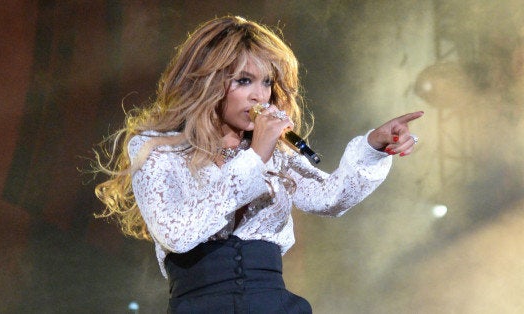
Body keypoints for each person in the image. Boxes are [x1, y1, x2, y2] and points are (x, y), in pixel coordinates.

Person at [94, 15, 423, 314]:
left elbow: (331, 197)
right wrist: (256, 158)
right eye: (243, 81)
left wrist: (374, 146)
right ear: (205, 83)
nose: (259, 97)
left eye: (267, 82)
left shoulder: (275, 153)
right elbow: (177, 234)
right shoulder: (158, 149)